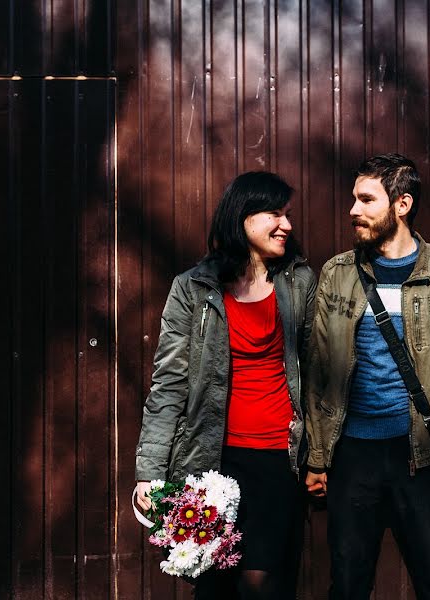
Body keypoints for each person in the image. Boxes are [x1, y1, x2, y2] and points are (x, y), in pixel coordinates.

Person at [304, 153, 430, 599]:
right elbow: (319, 374)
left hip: (423, 455)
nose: (353, 210)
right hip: (352, 454)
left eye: (366, 199)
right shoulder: (338, 274)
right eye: (353, 199)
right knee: (348, 585)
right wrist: (318, 457)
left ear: (401, 204)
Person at [135, 171, 317, 600]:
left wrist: (320, 458)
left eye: (287, 214)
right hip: (211, 458)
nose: (286, 225)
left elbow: (318, 376)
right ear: (242, 218)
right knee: (213, 583)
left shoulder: (300, 282)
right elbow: (169, 385)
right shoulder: (194, 289)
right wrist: (150, 472)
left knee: (262, 582)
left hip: (278, 457)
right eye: (275, 213)